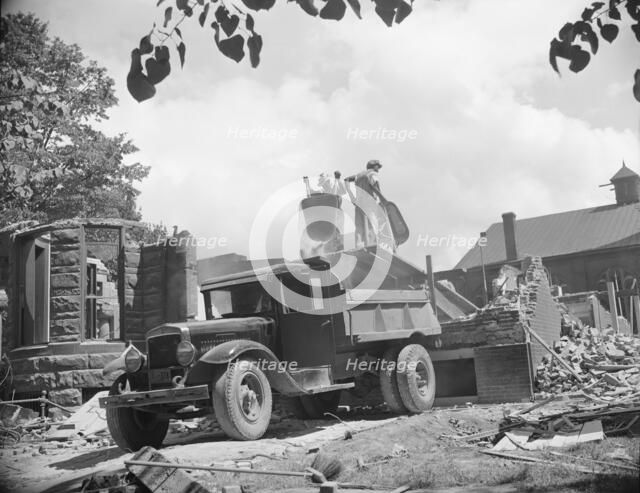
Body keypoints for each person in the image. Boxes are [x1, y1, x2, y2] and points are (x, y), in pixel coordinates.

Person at [346, 160, 395, 251]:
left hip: (359, 204)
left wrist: (352, 197)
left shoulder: (359, 175)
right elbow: (375, 188)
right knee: (372, 224)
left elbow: (346, 180)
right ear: (373, 166)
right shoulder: (372, 174)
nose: (379, 169)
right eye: (378, 167)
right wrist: (383, 200)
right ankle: (372, 246)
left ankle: (359, 246)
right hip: (369, 203)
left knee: (359, 226)